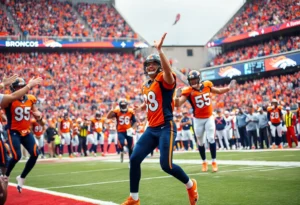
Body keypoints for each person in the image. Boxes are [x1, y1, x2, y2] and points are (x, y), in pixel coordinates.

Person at [121, 33, 198, 205]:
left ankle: (190, 185)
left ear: (160, 67)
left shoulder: (164, 78)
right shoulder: (145, 85)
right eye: (148, 64)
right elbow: (152, 102)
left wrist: (160, 51)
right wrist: (142, 107)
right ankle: (134, 198)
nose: (151, 66)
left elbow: (169, 73)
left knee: (166, 165)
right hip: (152, 128)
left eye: (154, 64)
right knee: (134, 159)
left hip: (166, 127)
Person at [175, 70, 236, 172]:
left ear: (199, 79)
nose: (193, 82)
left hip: (209, 117)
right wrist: (177, 96)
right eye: (191, 80)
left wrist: (228, 88)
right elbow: (177, 104)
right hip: (198, 119)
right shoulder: (188, 91)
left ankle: (214, 161)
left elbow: (219, 91)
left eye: (195, 80)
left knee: (211, 138)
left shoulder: (207, 85)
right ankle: (204, 161)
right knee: (200, 142)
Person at [0, 75, 41, 202]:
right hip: (13, 131)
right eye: (17, 87)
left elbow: (37, 113)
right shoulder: (9, 100)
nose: (19, 89)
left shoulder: (31, 98)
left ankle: (22, 177)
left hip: (26, 132)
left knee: (35, 154)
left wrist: (38, 115)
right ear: (13, 89)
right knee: (16, 156)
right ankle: (5, 176)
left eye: (21, 87)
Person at [107, 99, 137, 163]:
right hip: (120, 131)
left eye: (124, 105)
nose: (123, 107)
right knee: (121, 143)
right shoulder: (117, 111)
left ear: (126, 105)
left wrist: (132, 128)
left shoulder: (130, 111)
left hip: (129, 130)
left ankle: (130, 161)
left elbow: (134, 121)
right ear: (120, 106)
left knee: (131, 147)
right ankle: (121, 151)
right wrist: (112, 109)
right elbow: (108, 117)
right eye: (122, 106)